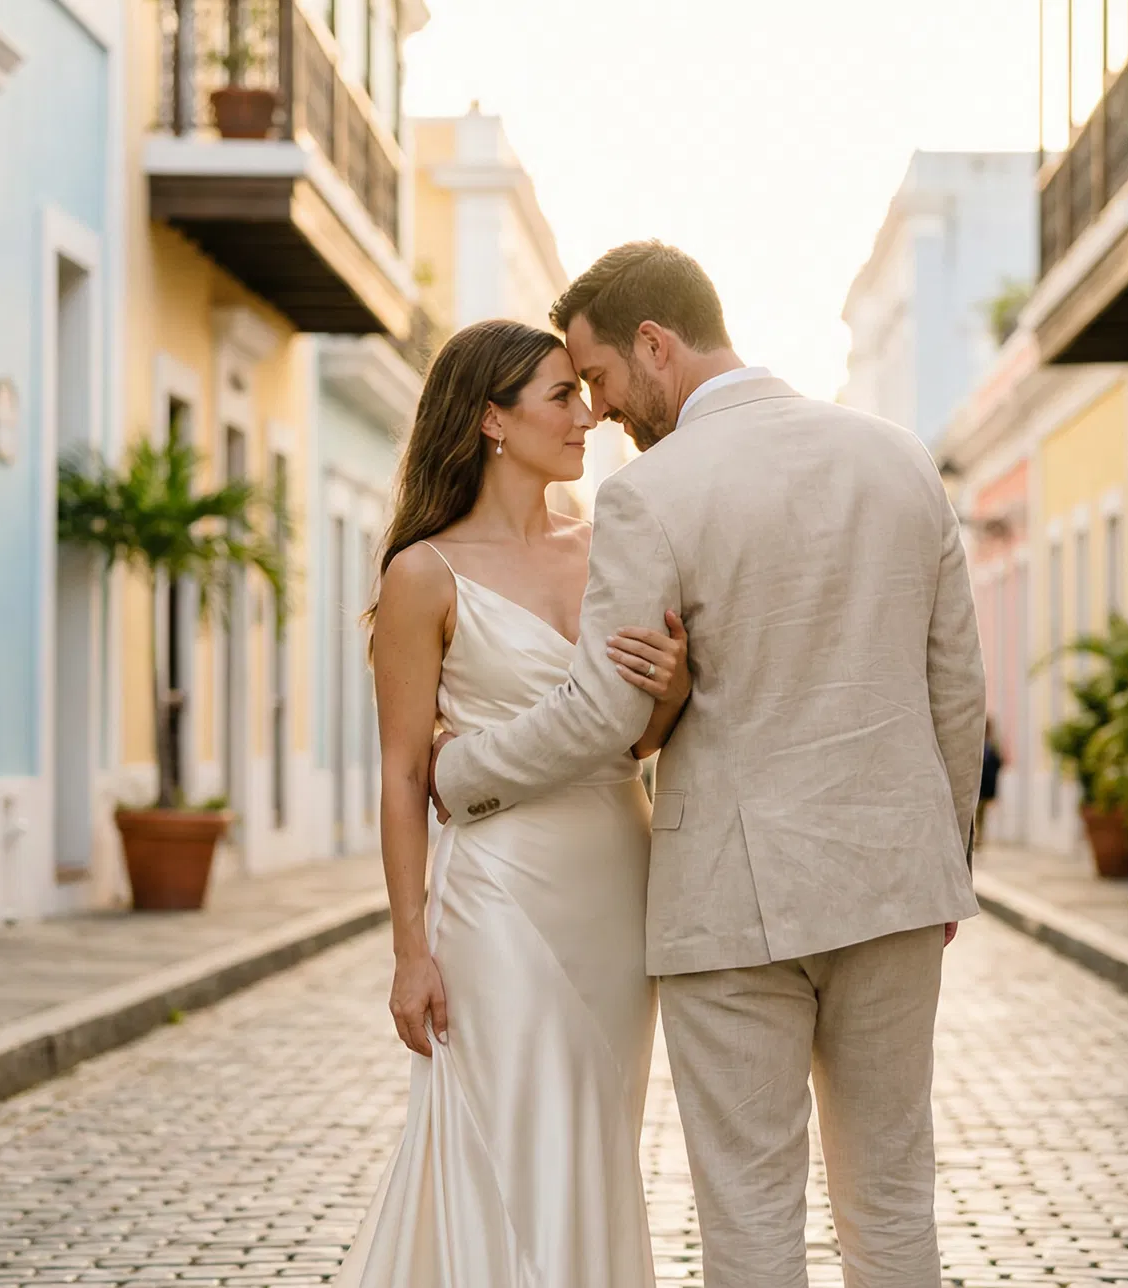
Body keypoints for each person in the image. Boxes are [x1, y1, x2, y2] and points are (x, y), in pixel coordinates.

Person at [429, 241, 986, 1288]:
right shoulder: (899, 458)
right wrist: (946, 857)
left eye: (599, 378)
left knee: (750, 1216)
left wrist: (459, 773)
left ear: (655, 343)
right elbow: (955, 685)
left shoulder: (651, 492)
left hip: (733, 907)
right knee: (892, 1203)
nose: (602, 412)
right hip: (897, 884)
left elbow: (603, 710)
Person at [337, 319, 691, 1285]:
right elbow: (403, 773)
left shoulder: (610, 547)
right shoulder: (423, 574)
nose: (588, 415)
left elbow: (634, 739)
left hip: (617, 887)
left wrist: (671, 690)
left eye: (584, 392)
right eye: (561, 395)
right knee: (514, 1134)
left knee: (599, 1136)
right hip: (496, 894)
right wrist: (410, 949)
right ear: (492, 419)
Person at [978, 715, 1004, 848]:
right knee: (978, 813)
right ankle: (978, 837)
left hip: (985, 786)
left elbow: (998, 764)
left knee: (981, 813)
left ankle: (979, 838)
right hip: (979, 786)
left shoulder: (992, 745)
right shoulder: (979, 743)